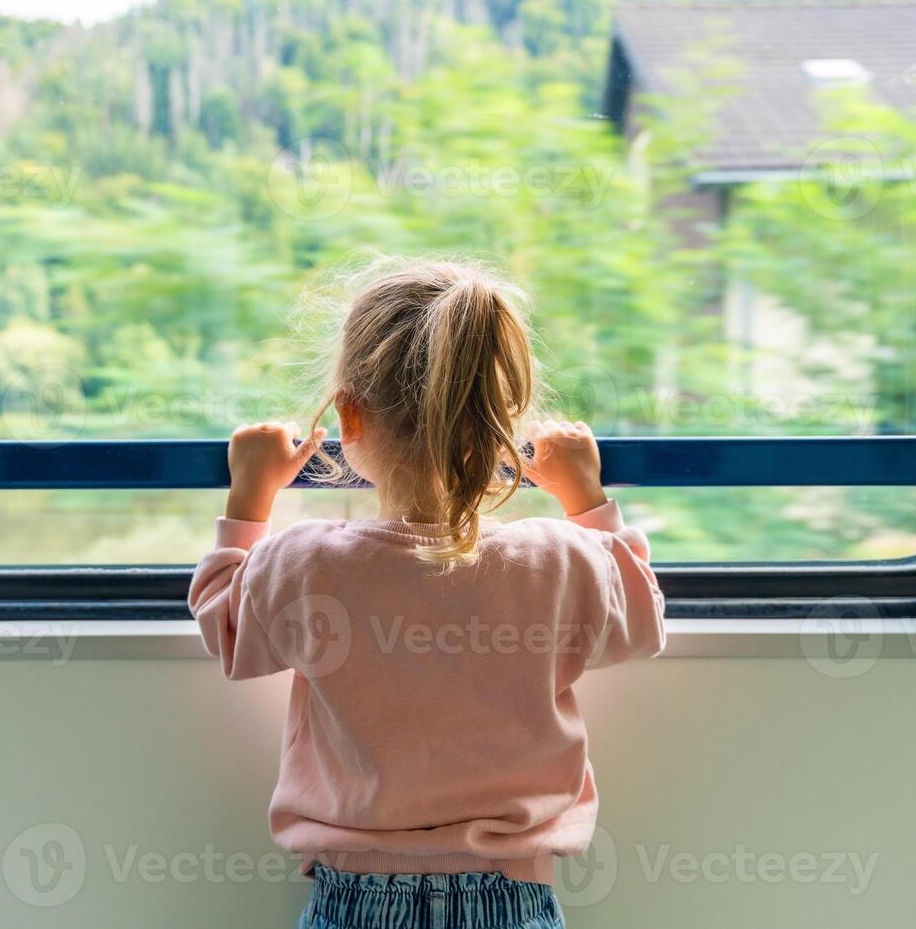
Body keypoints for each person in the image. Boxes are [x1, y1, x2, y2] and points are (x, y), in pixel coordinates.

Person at [189, 258, 666, 928]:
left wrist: (251, 494)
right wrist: (586, 498)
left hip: (354, 903)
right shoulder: (559, 560)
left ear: (349, 415)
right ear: (505, 424)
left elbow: (227, 629)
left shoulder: (304, 563)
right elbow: (641, 616)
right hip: (513, 899)